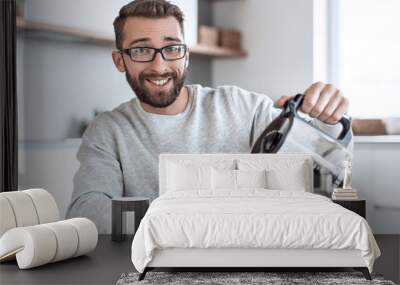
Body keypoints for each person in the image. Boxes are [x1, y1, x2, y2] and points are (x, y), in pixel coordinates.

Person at [66, 0, 352, 233]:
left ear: (186, 55)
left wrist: (329, 120)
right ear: (120, 60)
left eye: (171, 48)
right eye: (141, 50)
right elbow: (87, 213)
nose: (159, 64)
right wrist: (194, 219)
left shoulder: (242, 106)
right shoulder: (107, 130)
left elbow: (325, 172)